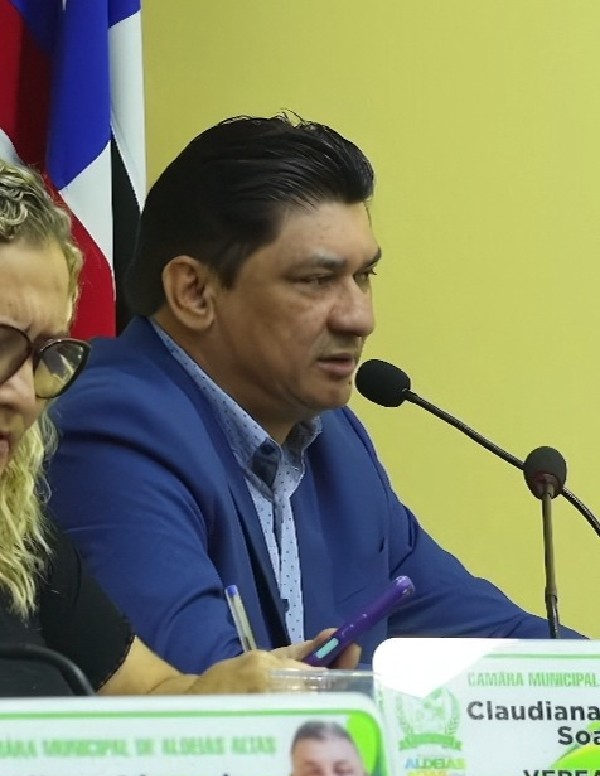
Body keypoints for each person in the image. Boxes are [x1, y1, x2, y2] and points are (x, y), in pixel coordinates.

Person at [47, 114, 582, 677]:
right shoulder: (110, 430)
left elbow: (497, 642)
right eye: (317, 280)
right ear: (195, 291)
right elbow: (206, 700)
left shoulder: (333, 441)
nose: (360, 317)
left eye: (364, 277)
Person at [0, 157, 357, 697]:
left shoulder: (19, 531)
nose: (25, 394)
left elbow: (148, 693)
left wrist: (229, 695)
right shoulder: (123, 424)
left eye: (47, 355)